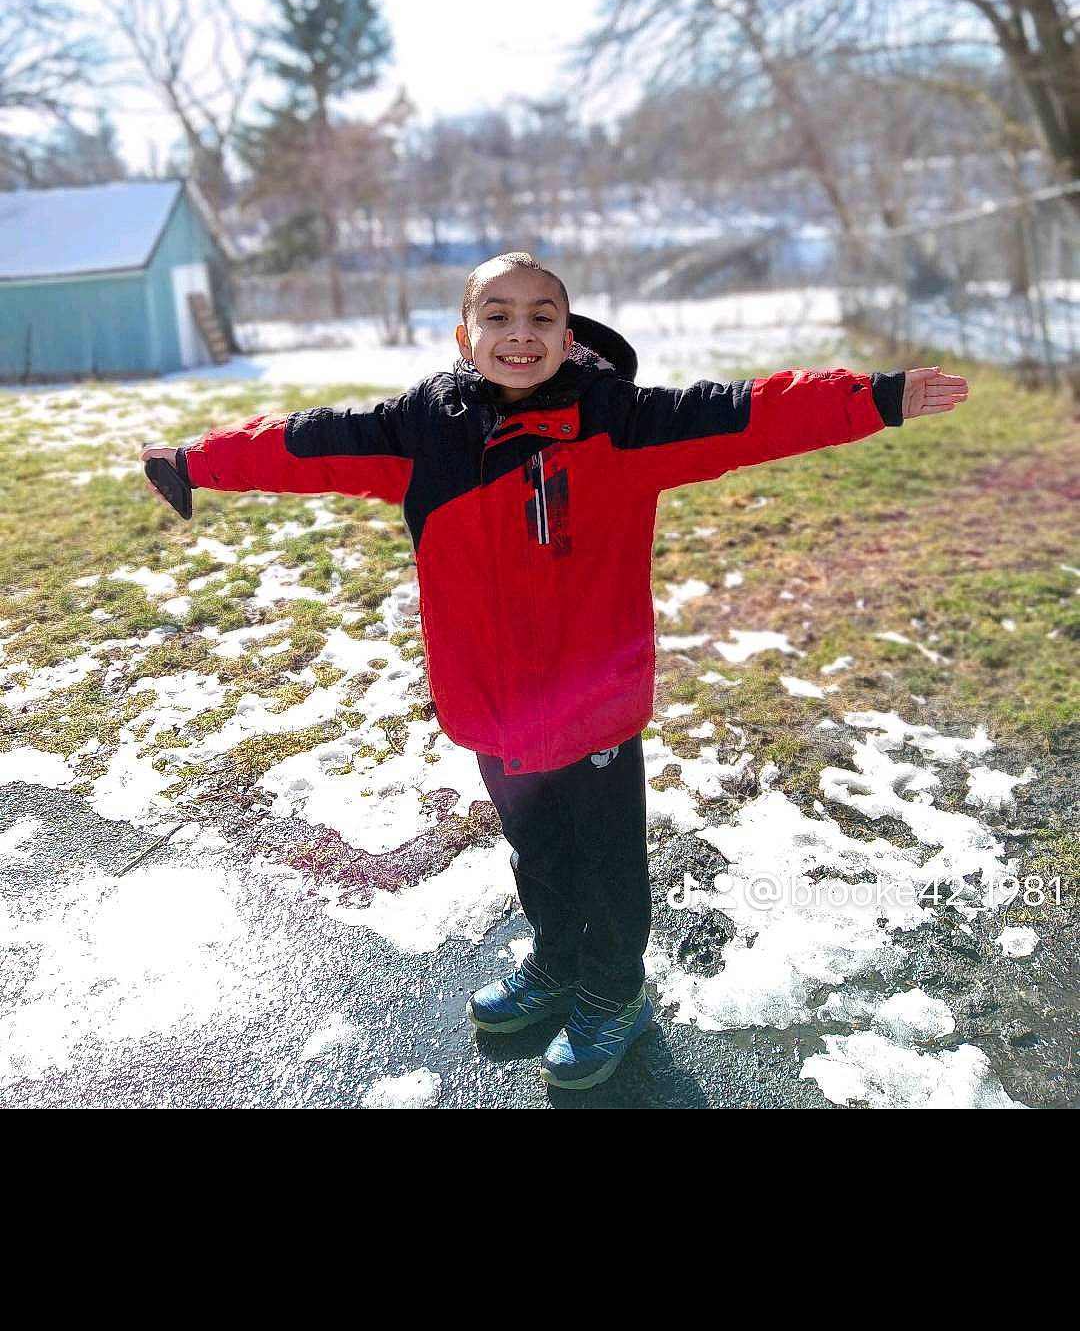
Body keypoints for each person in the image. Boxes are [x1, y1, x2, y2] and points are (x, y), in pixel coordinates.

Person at [140, 250, 968, 1092]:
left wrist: (877, 397)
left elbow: (752, 413)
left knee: (606, 862)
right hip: (491, 705)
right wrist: (193, 459)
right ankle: (555, 964)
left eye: (542, 316)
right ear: (466, 338)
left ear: (569, 337)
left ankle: (613, 992)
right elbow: (300, 444)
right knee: (536, 849)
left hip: (594, 708)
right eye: (497, 316)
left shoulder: (623, 424)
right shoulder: (418, 434)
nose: (520, 332)